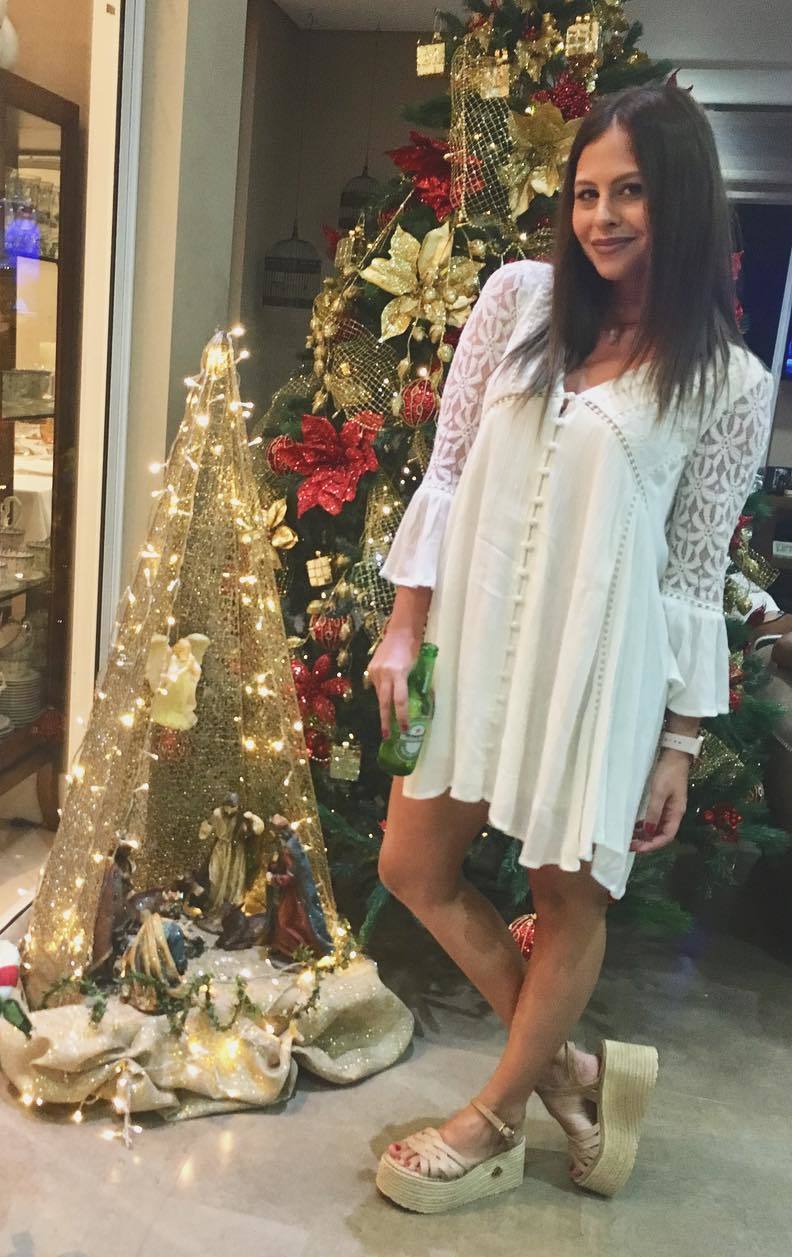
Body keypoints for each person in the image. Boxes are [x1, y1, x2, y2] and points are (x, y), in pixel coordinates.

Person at [368, 82, 773, 1214]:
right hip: (474, 640)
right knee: (411, 865)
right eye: (587, 192)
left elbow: (692, 574)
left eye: (630, 191)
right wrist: (405, 625)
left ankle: (494, 1115)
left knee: (570, 900)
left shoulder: (728, 382)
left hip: (602, 674)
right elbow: (448, 471)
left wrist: (679, 745)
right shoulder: (518, 302)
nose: (602, 216)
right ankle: (570, 1072)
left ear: (681, 201)